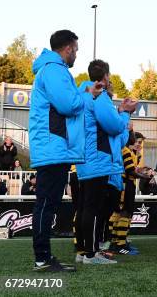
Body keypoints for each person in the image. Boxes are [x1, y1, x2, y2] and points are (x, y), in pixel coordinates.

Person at [29, 30, 101, 272]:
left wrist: (83, 94)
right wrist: (86, 96)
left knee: (47, 204)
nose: (76, 55)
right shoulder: (54, 70)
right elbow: (68, 105)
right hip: (53, 147)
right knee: (46, 204)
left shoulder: (51, 70)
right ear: (68, 48)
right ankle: (42, 259)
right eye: (76, 50)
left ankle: (44, 257)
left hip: (53, 146)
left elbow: (66, 101)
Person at [76, 59, 136, 265]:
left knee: (87, 207)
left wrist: (119, 113)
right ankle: (92, 254)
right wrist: (125, 114)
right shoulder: (100, 97)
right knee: (94, 209)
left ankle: (84, 251)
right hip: (98, 160)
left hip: (86, 160)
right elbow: (114, 127)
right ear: (106, 76)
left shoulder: (83, 95)